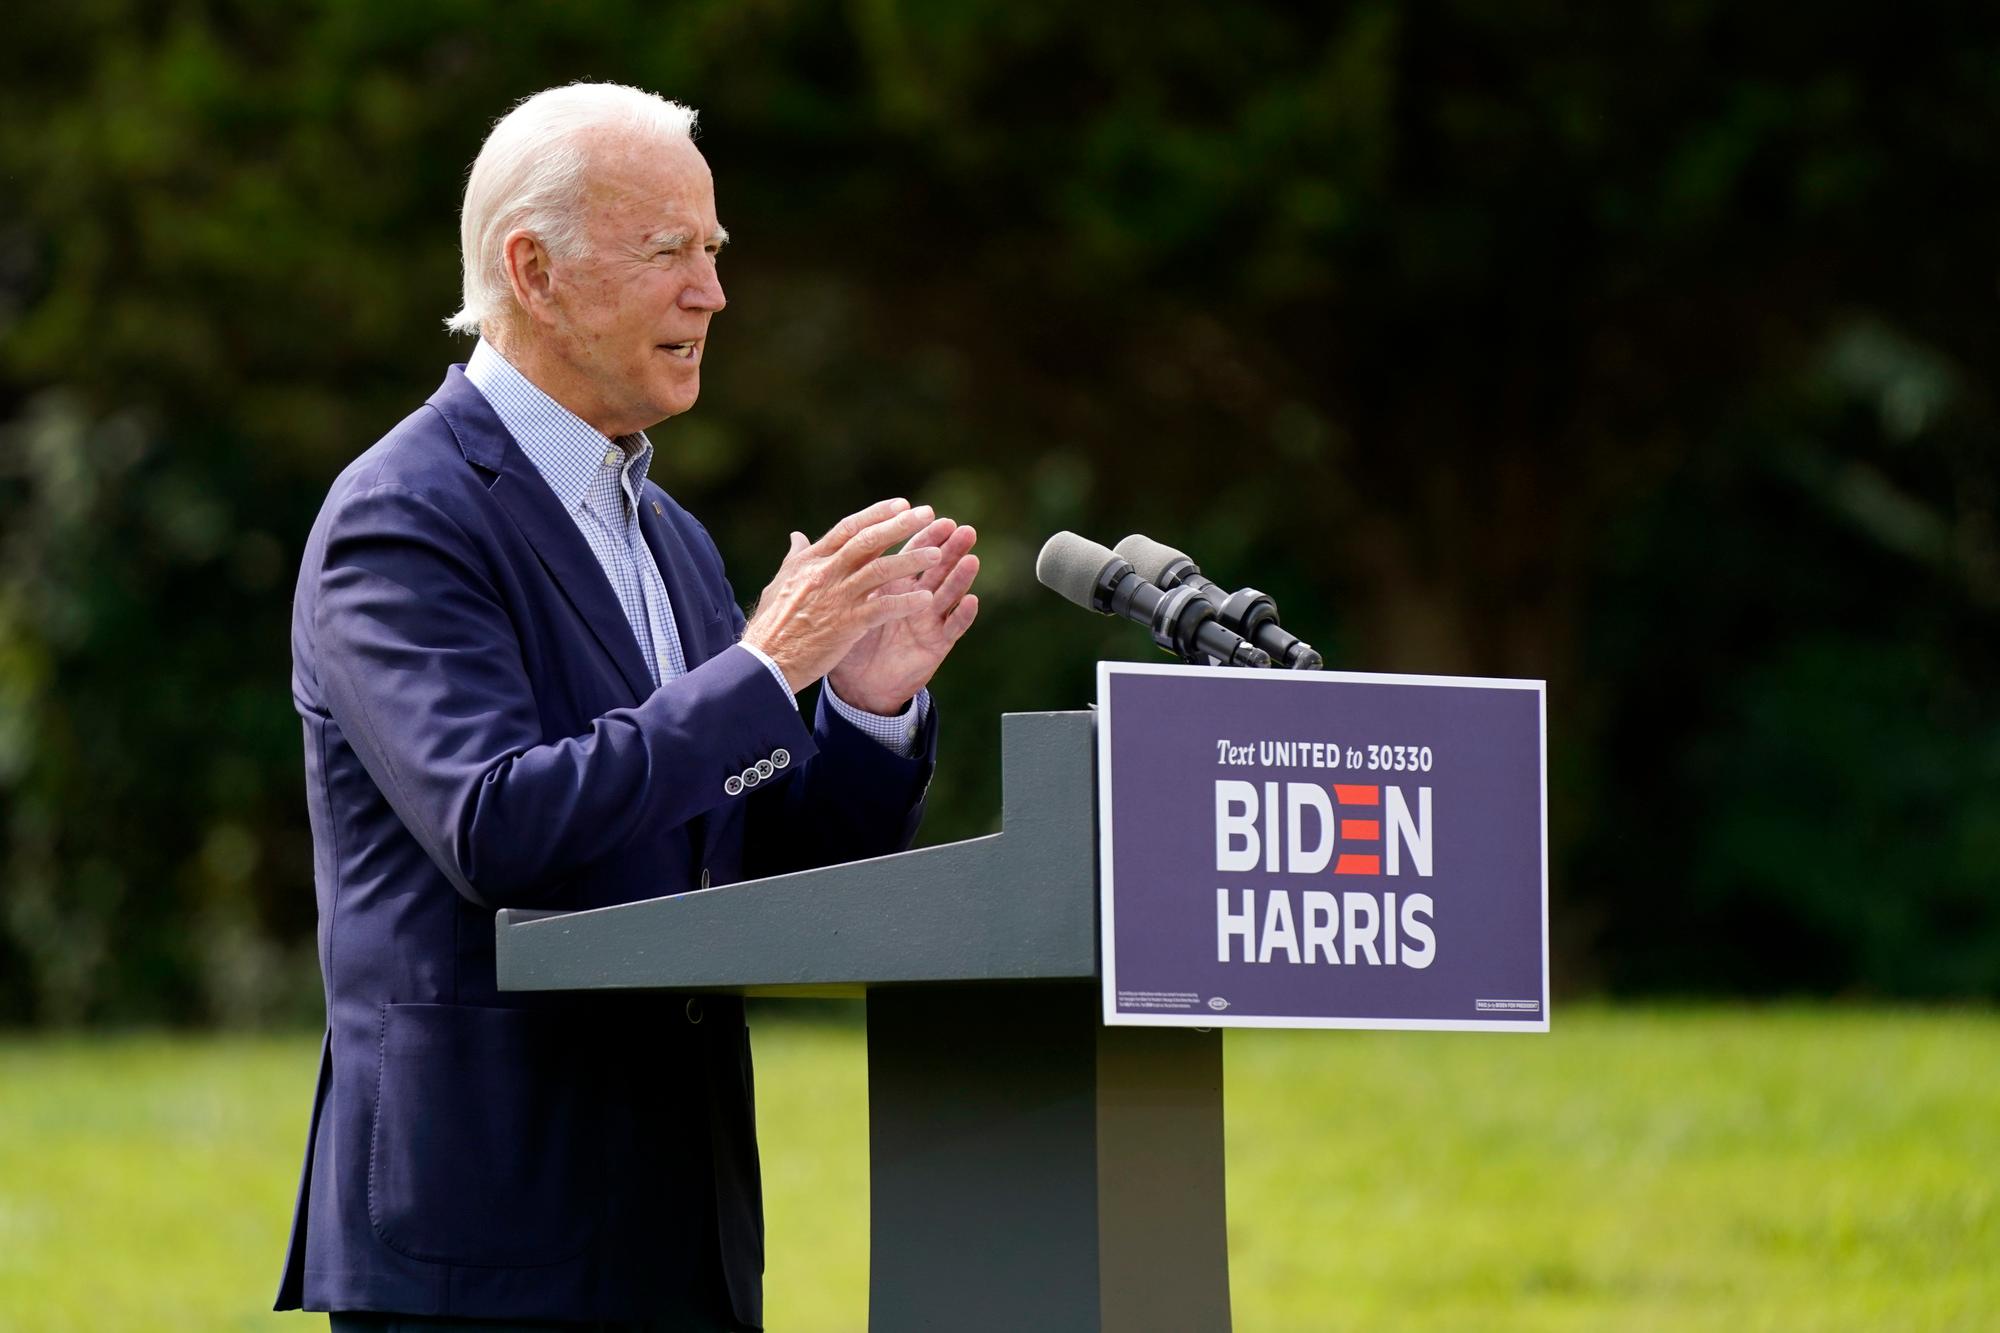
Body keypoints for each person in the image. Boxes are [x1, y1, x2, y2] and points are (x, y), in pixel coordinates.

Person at [274, 82, 979, 1331]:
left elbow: (750, 868)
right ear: (533, 271)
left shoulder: (674, 539)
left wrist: (859, 714)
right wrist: (762, 676)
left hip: (680, 1233)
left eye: (712, 253)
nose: (711, 293)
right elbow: (499, 824)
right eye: (670, 253)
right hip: (484, 1242)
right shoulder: (401, 517)